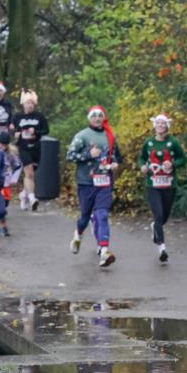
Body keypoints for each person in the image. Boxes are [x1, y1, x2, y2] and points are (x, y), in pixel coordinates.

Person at [67, 106, 122, 268]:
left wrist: (114, 164)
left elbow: (117, 157)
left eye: (100, 116)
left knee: (102, 214)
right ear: (89, 118)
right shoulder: (82, 136)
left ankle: (104, 251)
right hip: (86, 182)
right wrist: (88, 155)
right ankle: (78, 234)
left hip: (104, 182)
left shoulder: (109, 136)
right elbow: (69, 156)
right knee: (85, 215)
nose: (97, 119)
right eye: (94, 116)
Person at [139, 113, 187, 263]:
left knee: (164, 217)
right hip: (152, 184)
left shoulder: (173, 142)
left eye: (163, 123)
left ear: (167, 126)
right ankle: (162, 248)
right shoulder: (148, 143)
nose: (160, 126)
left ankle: (155, 226)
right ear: (154, 126)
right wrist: (142, 167)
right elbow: (141, 157)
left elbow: (183, 159)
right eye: (158, 123)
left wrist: (172, 164)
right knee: (158, 214)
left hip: (169, 184)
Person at [11, 89, 49, 211]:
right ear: (23, 104)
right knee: (29, 173)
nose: (30, 105)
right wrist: (15, 134)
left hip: (36, 148)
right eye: (28, 103)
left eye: (32, 103)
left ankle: (23, 195)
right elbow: (12, 128)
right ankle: (32, 198)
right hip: (23, 147)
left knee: (32, 174)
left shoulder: (40, 117)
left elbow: (46, 130)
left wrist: (35, 132)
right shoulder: (17, 116)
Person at [0, 131, 21, 237]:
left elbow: (18, 166)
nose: (3, 146)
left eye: (5, 145)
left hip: (6, 182)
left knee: (5, 204)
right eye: (1, 144)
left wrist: (14, 178)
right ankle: (4, 227)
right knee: (0, 206)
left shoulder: (10, 153)